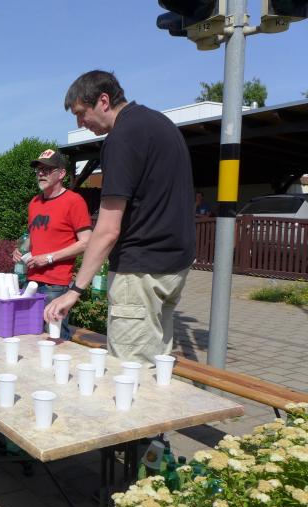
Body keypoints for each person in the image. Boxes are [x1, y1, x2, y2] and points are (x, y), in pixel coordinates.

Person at [45, 70, 196, 364]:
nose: (79, 123)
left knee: (129, 374)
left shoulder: (121, 138)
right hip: (174, 268)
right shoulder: (161, 124)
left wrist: (74, 291)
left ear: (103, 101)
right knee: (157, 366)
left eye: (81, 113)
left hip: (140, 272)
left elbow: (108, 229)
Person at [13, 149, 92, 341]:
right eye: (39, 170)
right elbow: (34, 235)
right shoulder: (34, 202)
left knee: (55, 339)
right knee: (29, 335)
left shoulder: (74, 201)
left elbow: (87, 242)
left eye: (47, 170)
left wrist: (49, 258)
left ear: (61, 173)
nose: (41, 173)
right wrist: (21, 249)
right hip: (30, 281)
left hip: (55, 285)